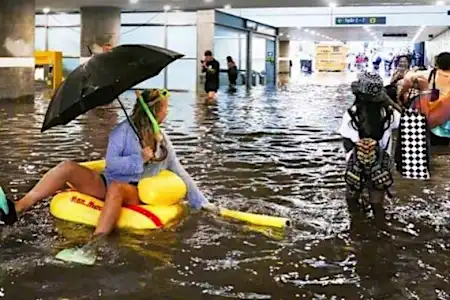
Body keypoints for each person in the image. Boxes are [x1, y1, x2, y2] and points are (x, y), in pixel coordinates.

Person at [0, 89, 217, 236]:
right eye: (165, 108)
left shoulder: (163, 141)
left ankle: (95, 244)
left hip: (134, 191)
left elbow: (178, 170)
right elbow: (111, 165)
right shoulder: (121, 132)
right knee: (66, 167)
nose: (167, 112)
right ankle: (18, 208)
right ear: (155, 112)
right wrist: (139, 158)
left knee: (116, 188)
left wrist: (201, 202)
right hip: (109, 182)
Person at [339, 71, 401, 225]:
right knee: (377, 203)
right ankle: (380, 231)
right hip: (380, 166)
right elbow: (406, 119)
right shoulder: (389, 113)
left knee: (352, 200)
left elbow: (347, 142)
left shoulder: (351, 114)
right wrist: (389, 101)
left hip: (356, 164)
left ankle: (357, 229)